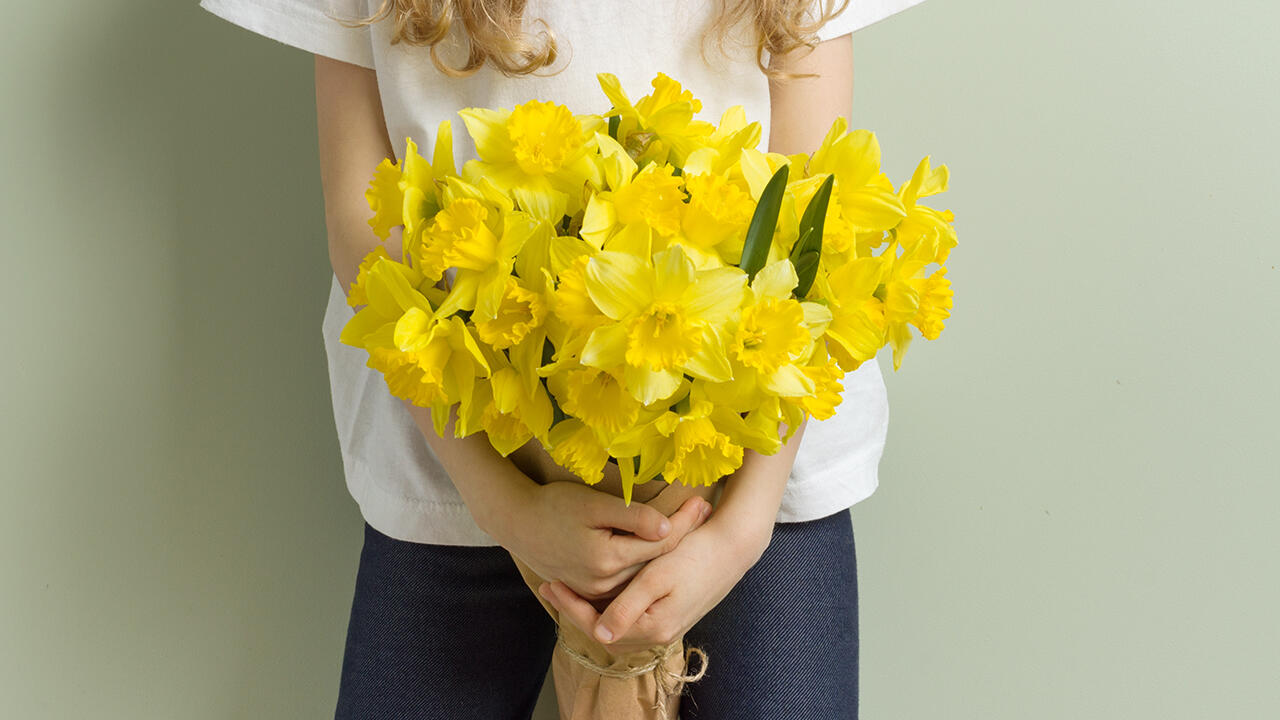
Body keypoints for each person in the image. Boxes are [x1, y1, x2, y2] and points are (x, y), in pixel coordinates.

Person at [198, 1, 925, 717]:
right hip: (455, 472)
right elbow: (360, 226)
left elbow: (812, 222)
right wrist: (501, 502)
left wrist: (742, 527)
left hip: (754, 479)